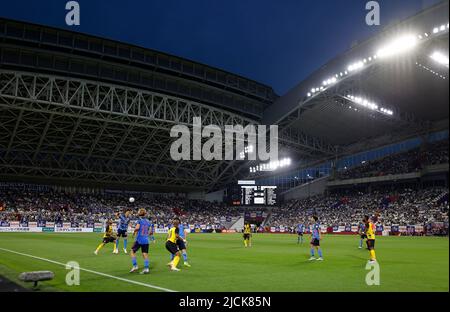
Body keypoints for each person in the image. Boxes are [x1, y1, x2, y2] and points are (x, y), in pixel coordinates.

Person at [129, 208, 151, 274]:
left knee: (132, 251)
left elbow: (137, 228)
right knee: (145, 254)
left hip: (139, 239)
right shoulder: (148, 221)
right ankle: (146, 268)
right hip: (146, 240)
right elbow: (150, 231)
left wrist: (134, 232)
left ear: (139, 213)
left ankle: (135, 266)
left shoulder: (139, 220)